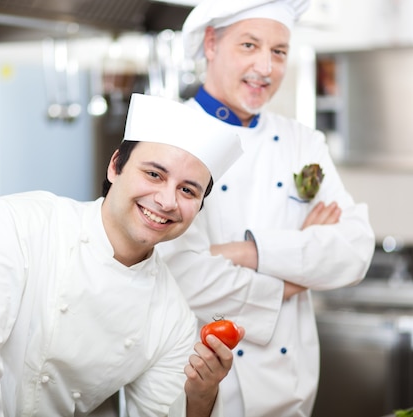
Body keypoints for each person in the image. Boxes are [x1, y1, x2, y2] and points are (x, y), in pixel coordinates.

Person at [0, 93, 245, 417]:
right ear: (115, 166)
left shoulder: (172, 319)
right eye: (153, 175)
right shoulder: (17, 224)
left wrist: (202, 394)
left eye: (188, 191)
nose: (166, 200)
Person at [156, 1, 376, 416]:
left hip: (291, 391)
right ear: (211, 44)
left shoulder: (302, 142)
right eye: (249, 45)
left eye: (278, 52)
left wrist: (245, 252)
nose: (265, 67)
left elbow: (355, 250)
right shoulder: (169, 136)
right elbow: (180, 276)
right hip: (196, 389)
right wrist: (297, 275)